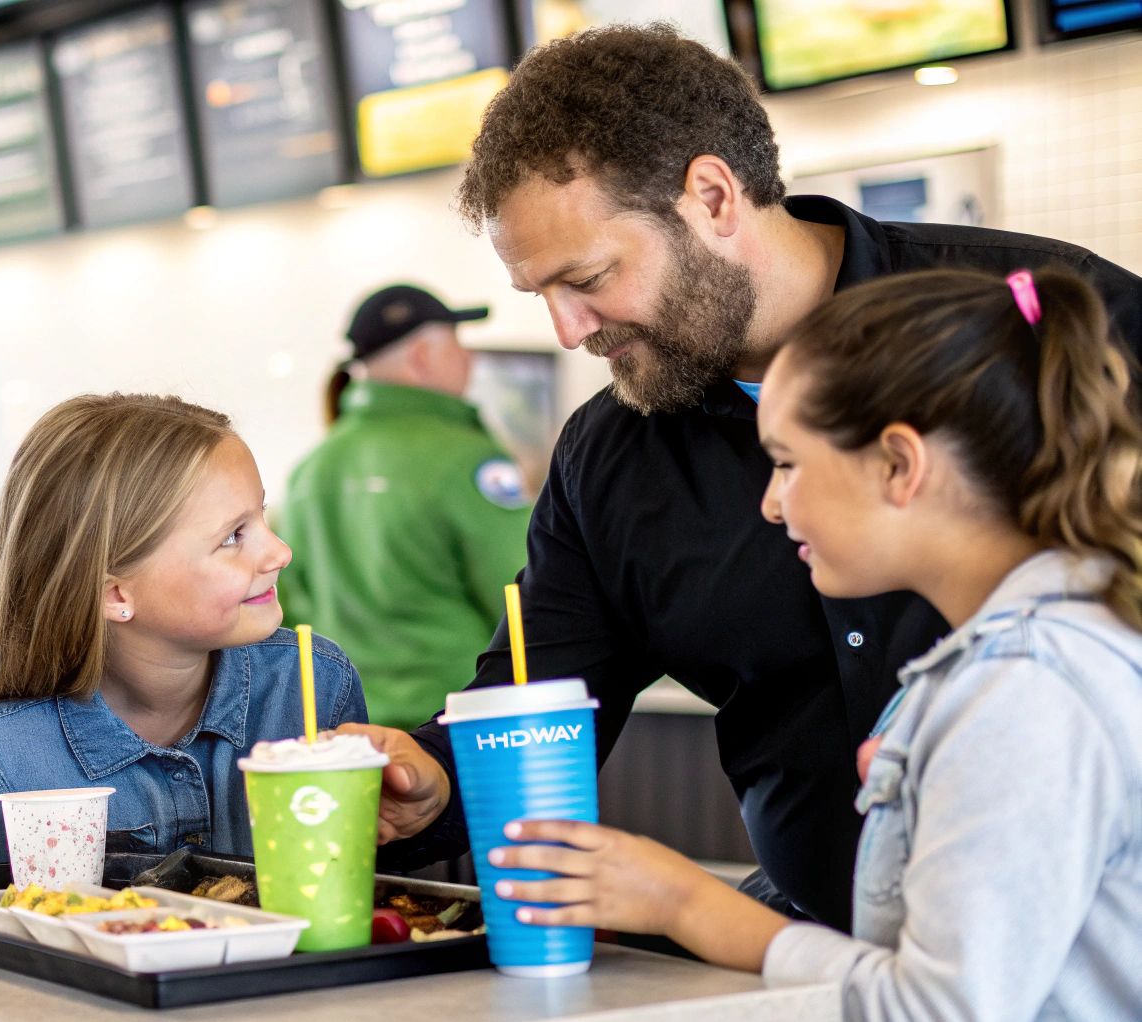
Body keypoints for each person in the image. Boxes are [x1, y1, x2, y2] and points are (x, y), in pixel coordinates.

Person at [343, 23, 1142, 929]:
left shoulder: (1056, 326)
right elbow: (543, 688)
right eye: (542, 297)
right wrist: (430, 776)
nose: (570, 331)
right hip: (814, 947)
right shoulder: (611, 454)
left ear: (714, 197)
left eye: (590, 277)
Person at [489, 267, 1142, 1021]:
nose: (769, 504)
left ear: (900, 465)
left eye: (788, 465)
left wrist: (684, 903)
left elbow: (936, 1010)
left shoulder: (1026, 691)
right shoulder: (1039, 653)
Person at [0, 393, 368, 869]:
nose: (279, 553)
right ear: (115, 595)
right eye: (233, 536)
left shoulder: (314, 682)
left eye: (262, 516)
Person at [274, 284, 530, 730]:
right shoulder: (467, 459)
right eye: (458, 345)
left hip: (348, 732)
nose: (468, 359)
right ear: (422, 357)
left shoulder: (309, 470)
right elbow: (525, 597)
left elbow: (289, 613)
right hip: (457, 731)